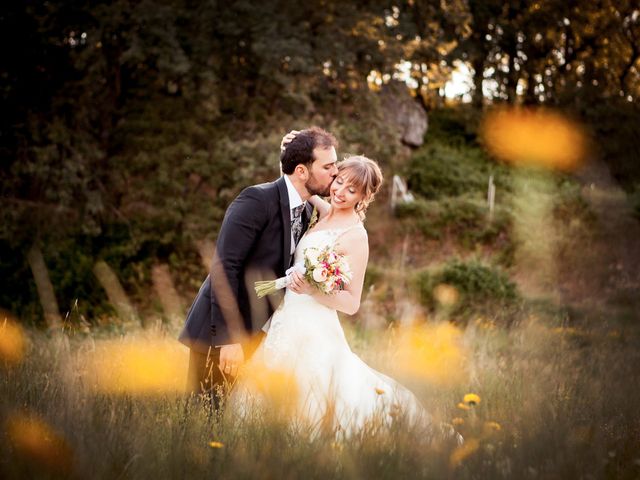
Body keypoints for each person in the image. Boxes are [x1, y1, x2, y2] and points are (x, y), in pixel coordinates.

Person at [234, 154, 438, 436]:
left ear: (364, 197)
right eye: (339, 182)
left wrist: (311, 289)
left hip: (315, 323)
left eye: (351, 190)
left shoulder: (356, 236)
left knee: (308, 393)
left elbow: (352, 303)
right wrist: (288, 150)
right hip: (286, 315)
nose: (340, 192)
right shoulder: (322, 210)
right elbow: (294, 183)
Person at [178, 127, 339, 406]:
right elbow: (224, 267)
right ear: (302, 171)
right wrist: (228, 340)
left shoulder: (308, 210)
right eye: (328, 166)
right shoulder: (256, 200)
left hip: (259, 334)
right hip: (220, 333)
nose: (336, 172)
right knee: (204, 421)